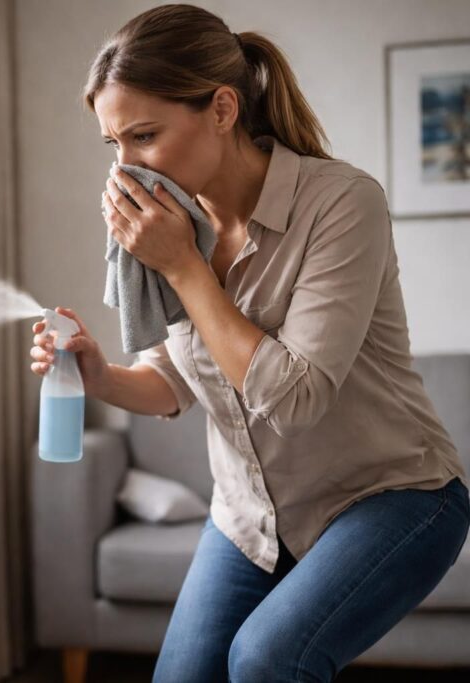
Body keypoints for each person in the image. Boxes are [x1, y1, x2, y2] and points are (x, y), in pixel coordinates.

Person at [28, 4, 470, 682]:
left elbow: (293, 398)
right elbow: (175, 380)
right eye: (114, 144)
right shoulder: (169, 223)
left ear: (224, 109)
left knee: (266, 658)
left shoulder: (342, 204)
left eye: (144, 135)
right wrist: (98, 374)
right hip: (250, 513)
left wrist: (184, 266)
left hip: (394, 494)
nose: (126, 167)